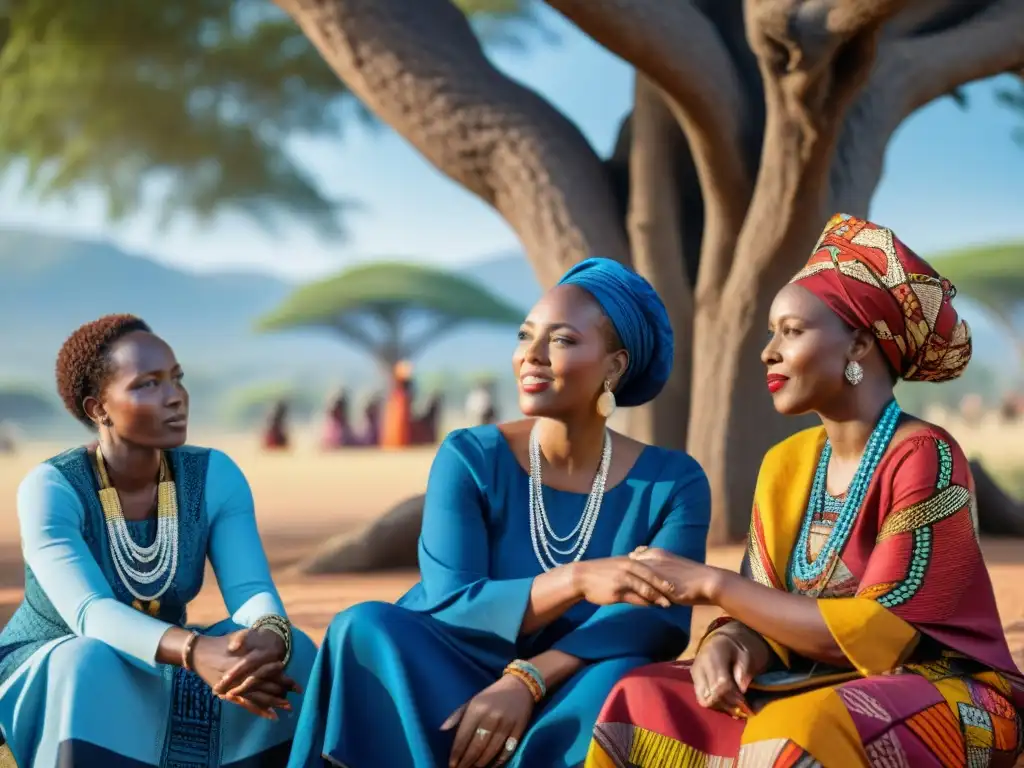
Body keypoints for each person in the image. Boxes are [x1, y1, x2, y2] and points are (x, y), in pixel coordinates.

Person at [586, 215, 1024, 767]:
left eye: (791, 331)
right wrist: (729, 646)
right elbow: (758, 608)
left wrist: (709, 583)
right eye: (772, 332)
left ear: (858, 343)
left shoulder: (925, 454)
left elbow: (883, 633)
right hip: (816, 679)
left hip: (949, 692)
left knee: (802, 729)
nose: (768, 351)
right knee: (640, 697)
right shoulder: (785, 464)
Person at [287, 258, 712, 768]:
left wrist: (529, 678)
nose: (530, 356)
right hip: (456, 659)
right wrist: (576, 579)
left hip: (573, 678)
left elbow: (652, 622)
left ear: (615, 366)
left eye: (562, 341)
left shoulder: (672, 482)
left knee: (622, 677)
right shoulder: (470, 456)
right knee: (364, 627)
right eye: (525, 336)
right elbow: (452, 600)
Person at [0, 315, 317, 768]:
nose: (175, 397)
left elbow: (249, 591)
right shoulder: (52, 487)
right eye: (147, 384)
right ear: (98, 409)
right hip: (59, 666)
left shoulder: (214, 476)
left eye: (176, 379)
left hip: (167, 661)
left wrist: (269, 635)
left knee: (296, 650)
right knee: (87, 661)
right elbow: (91, 614)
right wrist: (194, 651)